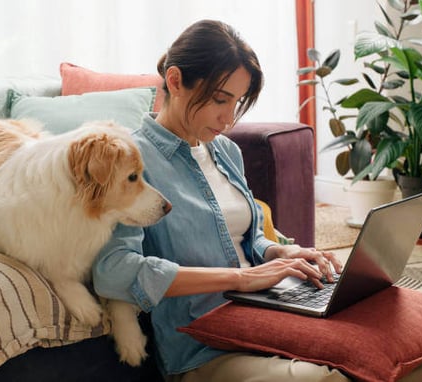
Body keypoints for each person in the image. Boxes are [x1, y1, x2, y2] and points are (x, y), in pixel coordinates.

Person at [92, 19, 348, 382]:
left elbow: (247, 238)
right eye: (219, 99)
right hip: (204, 347)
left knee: (410, 338)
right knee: (329, 379)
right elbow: (113, 271)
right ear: (176, 81)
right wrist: (240, 279)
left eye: (238, 102)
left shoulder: (226, 151)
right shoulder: (133, 163)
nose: (229, 119)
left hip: (268, 315)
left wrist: (279, 253)